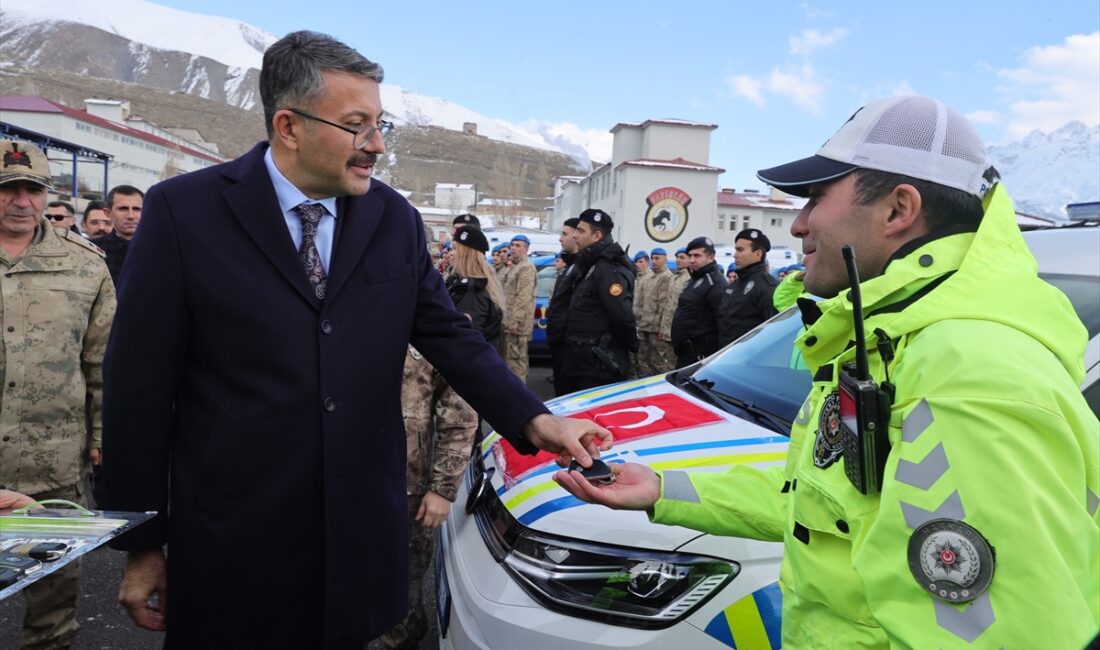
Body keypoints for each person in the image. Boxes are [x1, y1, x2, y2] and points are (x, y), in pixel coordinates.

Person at [100, 31, 610, 649]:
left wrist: (536, 419)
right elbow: (138, 387)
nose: (376, 145)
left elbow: (448, 332)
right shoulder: (186, 212)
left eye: (381, 123)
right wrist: (141, 540)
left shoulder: (393, 218)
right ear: (288, 125)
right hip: (235, 532)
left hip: (357, 531)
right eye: (357, 125)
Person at [555, 95, 1099, 648]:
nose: (797, 224)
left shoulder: (970, 372)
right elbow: (824, 505)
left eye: (815, 197)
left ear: (898, 210)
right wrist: (665, 488)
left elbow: (1002, 635)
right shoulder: (887, 338)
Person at [0, 139, 115, 650]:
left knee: (52, 608)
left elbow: (103, 360)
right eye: (7, 189)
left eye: (32, 189)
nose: (20, 200)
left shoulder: (85, 265)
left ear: (47, 194)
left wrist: (101, 433)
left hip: (54, 464)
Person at [384, 225, 503, 649]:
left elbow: (460, 417)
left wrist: (442, 488)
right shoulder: (347, 329)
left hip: (412, 489)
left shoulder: (433, 332)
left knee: (403, 589)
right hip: (348, 483)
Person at [560, 208, 639, 392]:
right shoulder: (591, 263)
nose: (575, 236)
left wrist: (630, 346)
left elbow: (621, 315)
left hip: (598, 364)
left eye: (581, 231)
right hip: (584, 360)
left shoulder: (608, 268)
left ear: (596, 236)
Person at [670, 236, 727, 367]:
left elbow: (722, 322)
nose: (692, 260)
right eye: (690, 256)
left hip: (700, 356)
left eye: (697, 256)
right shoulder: (695, 279)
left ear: (711, 257)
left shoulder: (715, 283)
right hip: (686, 353)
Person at [718, 228, 779, 345]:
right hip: (726, 354)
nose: (735, 255)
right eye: (735, 250)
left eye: (740, 250)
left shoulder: (767, 286)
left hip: (748, 357)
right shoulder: (736, 284)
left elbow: (773, 332)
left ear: (757, 254)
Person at [547, 217, 581, 396]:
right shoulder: (570, 266)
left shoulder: (580, 268)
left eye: (564, 234)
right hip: (559, 344)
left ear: (576, 236)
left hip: (569, 347)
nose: (560, 238)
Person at [90, 184, 144, 284]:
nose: (131, 216)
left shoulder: (161, 249)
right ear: (108, 213)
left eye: (137, 209)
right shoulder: (92, 250)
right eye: (123, 208)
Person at [502, 233, 536, 381]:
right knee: (511, 362)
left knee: (517, 363)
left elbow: (523, 297)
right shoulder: (516, 267)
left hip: (518, 325)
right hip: (510, 322)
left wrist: (515, 321)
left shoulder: (526, 267)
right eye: (512, 245)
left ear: (526, 249)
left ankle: (519, 396)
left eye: (518, 246)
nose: (513, 248)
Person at [636, 247, 674, 376]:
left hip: (655, 329)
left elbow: (663, 305)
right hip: (644, 325)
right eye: (652, 258)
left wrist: (660, 329)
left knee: (657, 362)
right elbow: (642, 303)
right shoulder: (650, 277)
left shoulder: (666, 277)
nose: (654, 261)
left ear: (665, 259)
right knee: (643, 360)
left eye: (657, 258)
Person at [657, 246, 691, 371]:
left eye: (682, 257)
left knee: (674, 366)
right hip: (667, 330)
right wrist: (662, 328)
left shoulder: (689, 279)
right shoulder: (673, 278)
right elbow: (667, 305)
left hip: (679, 332)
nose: (678, 260)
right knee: (664, 363)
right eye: (677, 257)